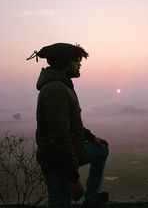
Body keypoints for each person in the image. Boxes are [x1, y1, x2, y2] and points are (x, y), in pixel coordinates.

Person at [27, 43, 109, 208]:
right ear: (66, 61)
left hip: (71, 151)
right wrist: (74, 179)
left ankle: (91, 199)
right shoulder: (55, 89)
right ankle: (89, 197)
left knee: (102, 148)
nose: (80, 64)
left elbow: (70, 124)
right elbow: (59, 137)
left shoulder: (62, 86)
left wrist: (91, 138)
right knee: (60, 201)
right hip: (57, 161)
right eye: (77, 60)